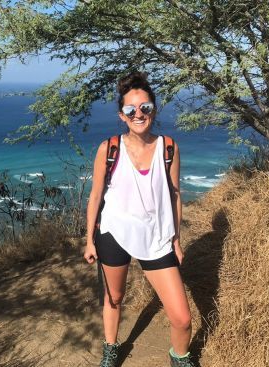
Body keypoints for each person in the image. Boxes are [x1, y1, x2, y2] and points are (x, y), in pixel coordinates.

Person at [84, 71, 193, 367]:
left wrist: (176, 239)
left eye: (145, 107)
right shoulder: (109, 149)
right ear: (122, 115)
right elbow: (95, 196)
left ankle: (179, 356)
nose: (139, 114)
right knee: (114, 298)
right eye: (131, 110)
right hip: (114, 233)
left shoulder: (168, 148)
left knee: (182, 318)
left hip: (157, 237)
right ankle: (111, 347)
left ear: (153, 109)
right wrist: (89, 241)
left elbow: (174, 195)